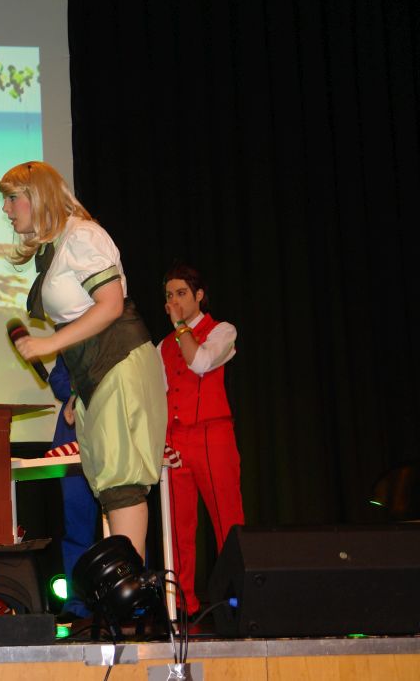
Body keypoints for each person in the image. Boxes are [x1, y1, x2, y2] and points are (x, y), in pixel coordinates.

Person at [0, 161, 166, 559]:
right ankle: (124, 583)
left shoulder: (83, 236)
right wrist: (77, 389)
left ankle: (128, 587)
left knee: (122, 484)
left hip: (117, 361)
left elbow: (110, 305)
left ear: (38, 196)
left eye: (12, 198)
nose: (6, 209)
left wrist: (49, 344)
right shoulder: (58, 246)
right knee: (109, 483)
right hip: (94, 373)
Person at [159, 263, 244, 614]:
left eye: (181, 293)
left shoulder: (222, 330)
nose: (174, 301)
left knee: (227, 520)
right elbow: (156, 394)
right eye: (169, 295)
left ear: (199, 296)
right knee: (177, 527)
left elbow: (200, 363)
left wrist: (181, 326)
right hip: (175, 438)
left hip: (213, 434)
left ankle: (238, 600)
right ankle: (182, 604)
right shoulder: (162, 346)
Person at [45, 357, 99, 625]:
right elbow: (57, 380)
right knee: (76, 524)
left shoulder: (117, 336)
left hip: (110, 426)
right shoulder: (68, 339)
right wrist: (76, 391)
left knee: (124, 518)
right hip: (72, 436)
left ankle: (128, 597)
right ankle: (77, 603)